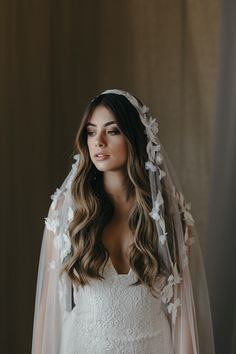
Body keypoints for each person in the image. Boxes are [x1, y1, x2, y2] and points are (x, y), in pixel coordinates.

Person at [31, 89, 215, 354]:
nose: (99, 142)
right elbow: (48, 311)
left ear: (135, 137)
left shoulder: (167, 216)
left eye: (112, 130)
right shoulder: (68, 212)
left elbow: (183, 316)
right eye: (91, 132)